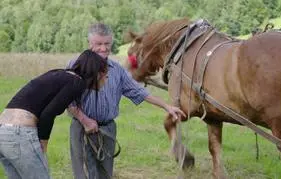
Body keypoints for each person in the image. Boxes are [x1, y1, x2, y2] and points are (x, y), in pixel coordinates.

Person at [68, 23, 185, 179]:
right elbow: (68, 101)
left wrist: (166, 106)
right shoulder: (76, 65)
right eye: (99, 44)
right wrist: (85, 120)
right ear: (90, 44)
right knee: (83, 173)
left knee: (105, 174)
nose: (103, 48)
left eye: (107, 44)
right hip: (82, 128)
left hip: (107, 129)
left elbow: (139, 91)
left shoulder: (117, 70)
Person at [0, 49, 108, 179]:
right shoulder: (77, 82)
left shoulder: (60, 74)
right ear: (97, 74)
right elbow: (48, 114)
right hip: (20, 133)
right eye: (106, 74)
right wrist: (43, 142)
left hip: (3, 132)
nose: (107, 78)